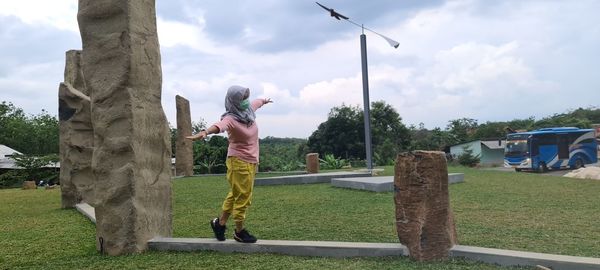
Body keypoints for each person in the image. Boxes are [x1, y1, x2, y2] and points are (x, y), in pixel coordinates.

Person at [187, 85, 272, 243]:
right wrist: (205, 132)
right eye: (242, 99)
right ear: (234, 101)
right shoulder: (231, 118)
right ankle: (239, 232)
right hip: (239, 162)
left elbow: (256, 102)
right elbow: (219, 126)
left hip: (251, 161)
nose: (246, 101)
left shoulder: (248, 112)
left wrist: (264, 101)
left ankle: (220, 224)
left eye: (246, 97)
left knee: (235, 194)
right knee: (243, 197)